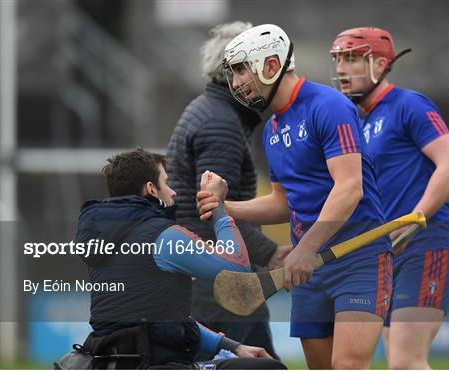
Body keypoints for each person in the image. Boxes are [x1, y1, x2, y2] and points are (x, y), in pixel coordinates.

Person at [197, 24, 392, 369]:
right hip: (311, 270)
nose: (237, 83)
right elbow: (284, 202)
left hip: (356, 260)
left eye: (242, 70)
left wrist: (305, 247)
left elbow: (349, 187)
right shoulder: (272, 130)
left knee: (347, 366)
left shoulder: (329, 105)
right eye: (233, 74)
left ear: (271, 65)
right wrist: (226, 207)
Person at [329, 27, 449, 369]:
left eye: (351, 59)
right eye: (338, 60)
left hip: (426, 245)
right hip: (385, 254)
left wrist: (413, 218)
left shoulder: (408, 105)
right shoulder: (355, 121)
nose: (342, 69)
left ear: (379, 63)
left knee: (406, 363)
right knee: (396, 362)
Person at [75, 148, 286, 369]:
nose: (173, 192)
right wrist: (218, 207)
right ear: (151, 189)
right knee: (271, 368)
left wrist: (232, 346)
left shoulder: (103, 240)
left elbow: (160, 323)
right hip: (157, 363)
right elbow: (238, 271)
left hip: (114, 363)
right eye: (166, 183)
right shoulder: (162, 235)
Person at [167, 21, 290, 360]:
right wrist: (270, 253)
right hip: (221, 284)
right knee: (264, 364)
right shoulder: (220, 123)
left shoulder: (208, 110)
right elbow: (214, 209)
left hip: (207, 277)